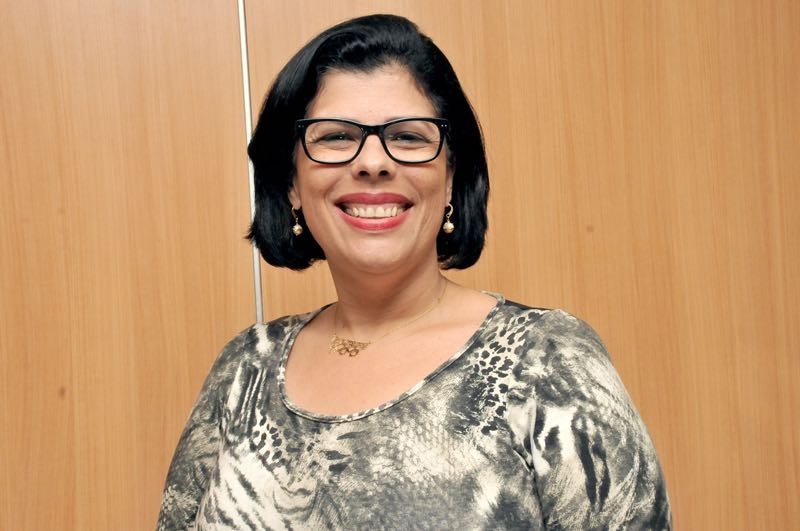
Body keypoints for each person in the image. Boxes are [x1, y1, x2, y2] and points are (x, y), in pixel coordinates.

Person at [157, 14, 671, 530]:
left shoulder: (546, 360)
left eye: (406, 136)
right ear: (291, 182)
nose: (373, 162)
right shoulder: (244, 370)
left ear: (451, 178)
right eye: (335, 136)